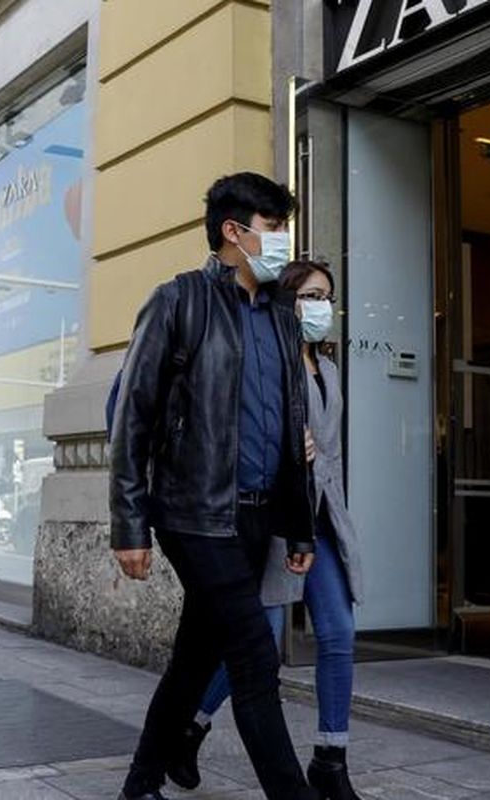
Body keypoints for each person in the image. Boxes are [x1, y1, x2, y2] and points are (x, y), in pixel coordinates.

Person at [110, 172, 319, 800]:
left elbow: (291, 420)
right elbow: (133, 418)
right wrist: (129, 525)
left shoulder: (282, 315)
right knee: (255, 658)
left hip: (256, 517)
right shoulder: (177, 301)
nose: (283, 240)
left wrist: (299, 521)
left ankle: (140, 784)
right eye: (275, 227)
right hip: (194, 515)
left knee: (194, 660)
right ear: (235, 232)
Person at [168, 261, 365, 800]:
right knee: (263, 642)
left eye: (327, 296)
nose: (319, 306)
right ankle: (191, 727)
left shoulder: (330, 369)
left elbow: (333, 452)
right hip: (275, 517)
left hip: (321, 519)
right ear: (286, 302)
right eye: (309, 296)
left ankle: (330, 758)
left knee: (339, 633)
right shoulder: (267, 360)